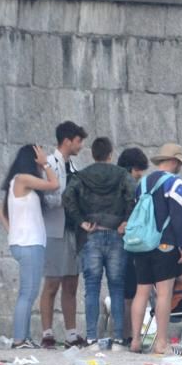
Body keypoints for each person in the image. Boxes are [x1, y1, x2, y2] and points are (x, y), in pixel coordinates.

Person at [62, 137, 135, 344]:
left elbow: (67, 196)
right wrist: (126, 221)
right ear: (110, 154)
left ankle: (92, 337)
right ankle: (119, 336)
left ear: (93, 154)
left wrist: (81, 221)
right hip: (116, 235)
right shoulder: (122, 175)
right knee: (117, 287)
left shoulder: (82, 176)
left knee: (91, 287)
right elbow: (133, 195)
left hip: (91, 236)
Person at [129, 143, 182, 355]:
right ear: (174, 161)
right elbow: (178, 216)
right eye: (180, 162)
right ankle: (161, 342)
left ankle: (136, 340)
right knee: (164, 293)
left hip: (142, 243)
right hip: (165, 243)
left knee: (142, 291)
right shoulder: (174, 183)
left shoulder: (143, 183)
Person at [0, 145, 60, 348]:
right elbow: (54, 184)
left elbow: (1, 212)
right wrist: (46, 163)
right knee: (28, 292)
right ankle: (19, 339)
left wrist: (13, 231)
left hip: (26, 242)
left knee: (29, 291)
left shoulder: (16, 182)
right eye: (39, 155)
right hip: (29, 243)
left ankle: (22, 337)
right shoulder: (23, 178)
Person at [40, 120, 87, 348]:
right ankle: (47, 332)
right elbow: (48, 197)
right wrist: (68, 200)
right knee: (52, 282)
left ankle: (70, 333)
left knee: (71, 282)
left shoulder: (75, 167)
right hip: (54, 229)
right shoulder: (49, 163)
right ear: (67, 140)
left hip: (73, 230)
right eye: (78, 141)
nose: (80, 146)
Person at [117, 147, 149, 342]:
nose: (140, 175)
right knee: (128, 291)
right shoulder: (125, 187)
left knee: (128, 290)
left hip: (130, 242)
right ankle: (127, 334)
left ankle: (128, 334)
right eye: (138, 170)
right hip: (126, 243)